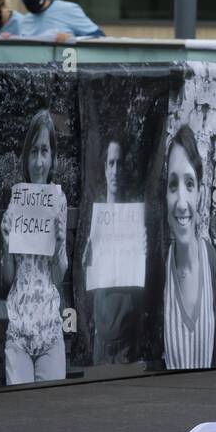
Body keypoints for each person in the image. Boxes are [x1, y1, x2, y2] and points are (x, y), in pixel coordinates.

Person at [0, 110, 69, 384]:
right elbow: (7, 279)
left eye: (45, 151)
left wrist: (60, 243)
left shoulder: (58, 201)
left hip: (50, 330)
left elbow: (59, 278)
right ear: (26, 157)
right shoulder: (17, 202)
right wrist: (5, 247)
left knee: (51, 412)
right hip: (18, 329)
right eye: (34, 152)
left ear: (52, 158)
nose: (39, 162)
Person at [162, 126, 216, 370]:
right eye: (173, 186)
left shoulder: (210, 259)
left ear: (200, 193)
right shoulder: (159, 273)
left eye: (189, 184)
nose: (181, 203)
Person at [81, 139, 143, 365]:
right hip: (101, 336)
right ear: (105, 169)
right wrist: (86, 261)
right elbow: (86, 278)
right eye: (111, 163)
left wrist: (143, 254)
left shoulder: (134, 218)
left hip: (127, 337)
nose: (115, 170)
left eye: (119, 163)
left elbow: (142, 284)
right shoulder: (94, 218)